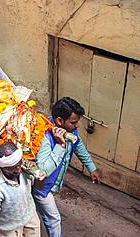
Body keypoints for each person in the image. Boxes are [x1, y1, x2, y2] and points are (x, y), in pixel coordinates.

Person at [33, 97, 100, 237]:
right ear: (59, 121)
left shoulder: (69, 129)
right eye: (73, 122)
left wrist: (91, 167)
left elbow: (78, 146)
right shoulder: (45, 136)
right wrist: (60, 146)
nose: (77, 126)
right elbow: (42, 171)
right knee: (53, 219)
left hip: (51, 184)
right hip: (41, 187)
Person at [0, 142, 40, 237]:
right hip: (10, 228)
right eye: (12, 168)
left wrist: (37, 174)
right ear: (2, 167)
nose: (18, 170)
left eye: (19, 164)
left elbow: (39, 187)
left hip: (30, 218)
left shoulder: (24, 169)